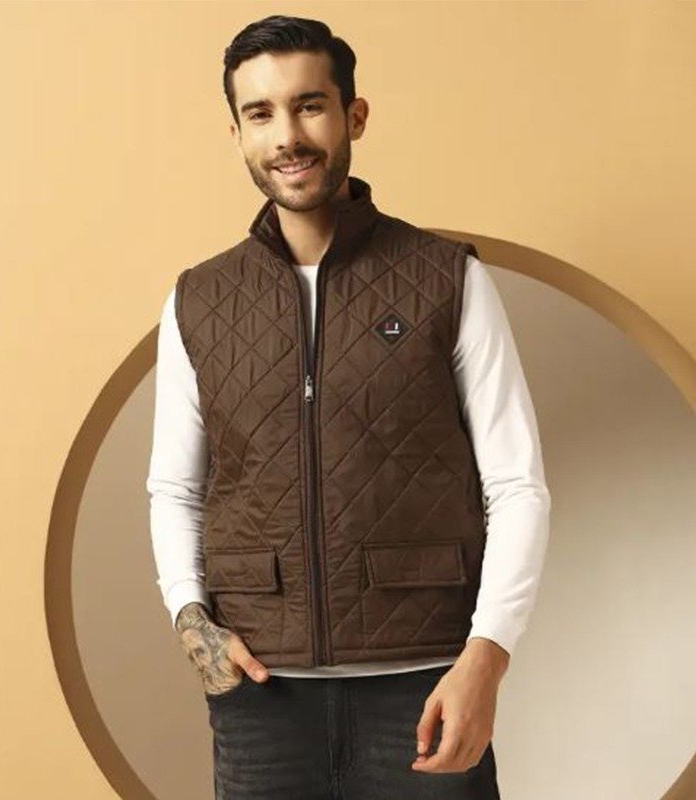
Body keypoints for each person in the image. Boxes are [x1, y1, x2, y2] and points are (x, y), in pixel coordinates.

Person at [146, 14, 551, 800]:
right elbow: (175, 488)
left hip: (425, 686)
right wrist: (192, 620)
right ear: (236, 134)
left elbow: (516, 484)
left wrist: (487, 657)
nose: (287, 136)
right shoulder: (198, 299)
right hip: (261, 695)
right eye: (260, 114)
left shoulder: (447, 279)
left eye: (309, 106)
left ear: (353, 116)